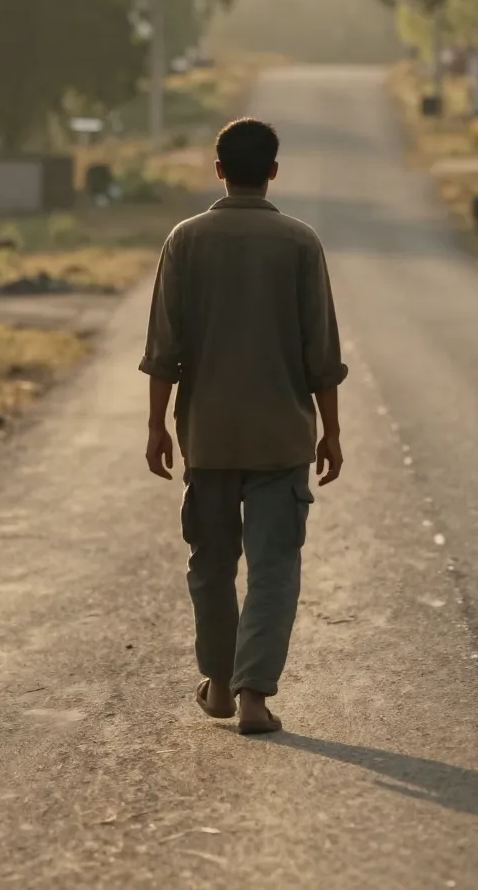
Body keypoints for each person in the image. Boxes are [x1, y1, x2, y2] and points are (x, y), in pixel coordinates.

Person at [140, 117, 347, 736]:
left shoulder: (186, 240)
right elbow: (322, 353)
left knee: (211, 563)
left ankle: (218, 682)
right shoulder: (300, 243)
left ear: (219, 170)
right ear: (274, 172)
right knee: (274, 565)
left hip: (209, 434)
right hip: (281, 435)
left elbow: (163, 348)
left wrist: (157, 426)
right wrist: (331, 432)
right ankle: (254, 693)